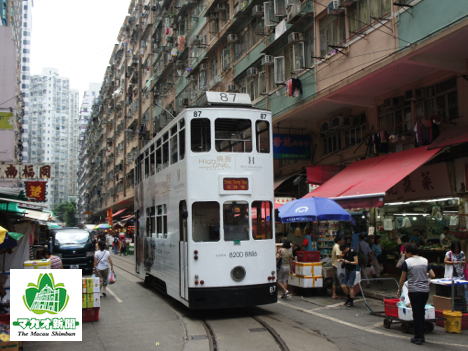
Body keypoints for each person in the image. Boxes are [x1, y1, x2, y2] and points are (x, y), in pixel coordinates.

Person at [398, 243, 435, 345]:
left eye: (405, 251)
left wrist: (399, 290)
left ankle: (418, 337)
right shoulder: (425, 260)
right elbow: (432, 274)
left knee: (416, 313)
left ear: (409, 252)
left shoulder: (407, 262)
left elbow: (402, 278)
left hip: (414, 291)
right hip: (425, 291)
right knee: (421, 312)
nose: (405, 253)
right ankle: (421, 335)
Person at [339, 242, 358, 307]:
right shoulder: (345, 253)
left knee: (350, 286)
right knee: (343, 286)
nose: (343, 251)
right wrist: (342, 260)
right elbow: (344, 260)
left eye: (343, 250)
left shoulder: (353, 252)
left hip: (352, 271)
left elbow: (356, 262)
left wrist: (349, 262)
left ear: (347, 248)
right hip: (346, 271)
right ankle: (348, 298)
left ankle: (351, 301)